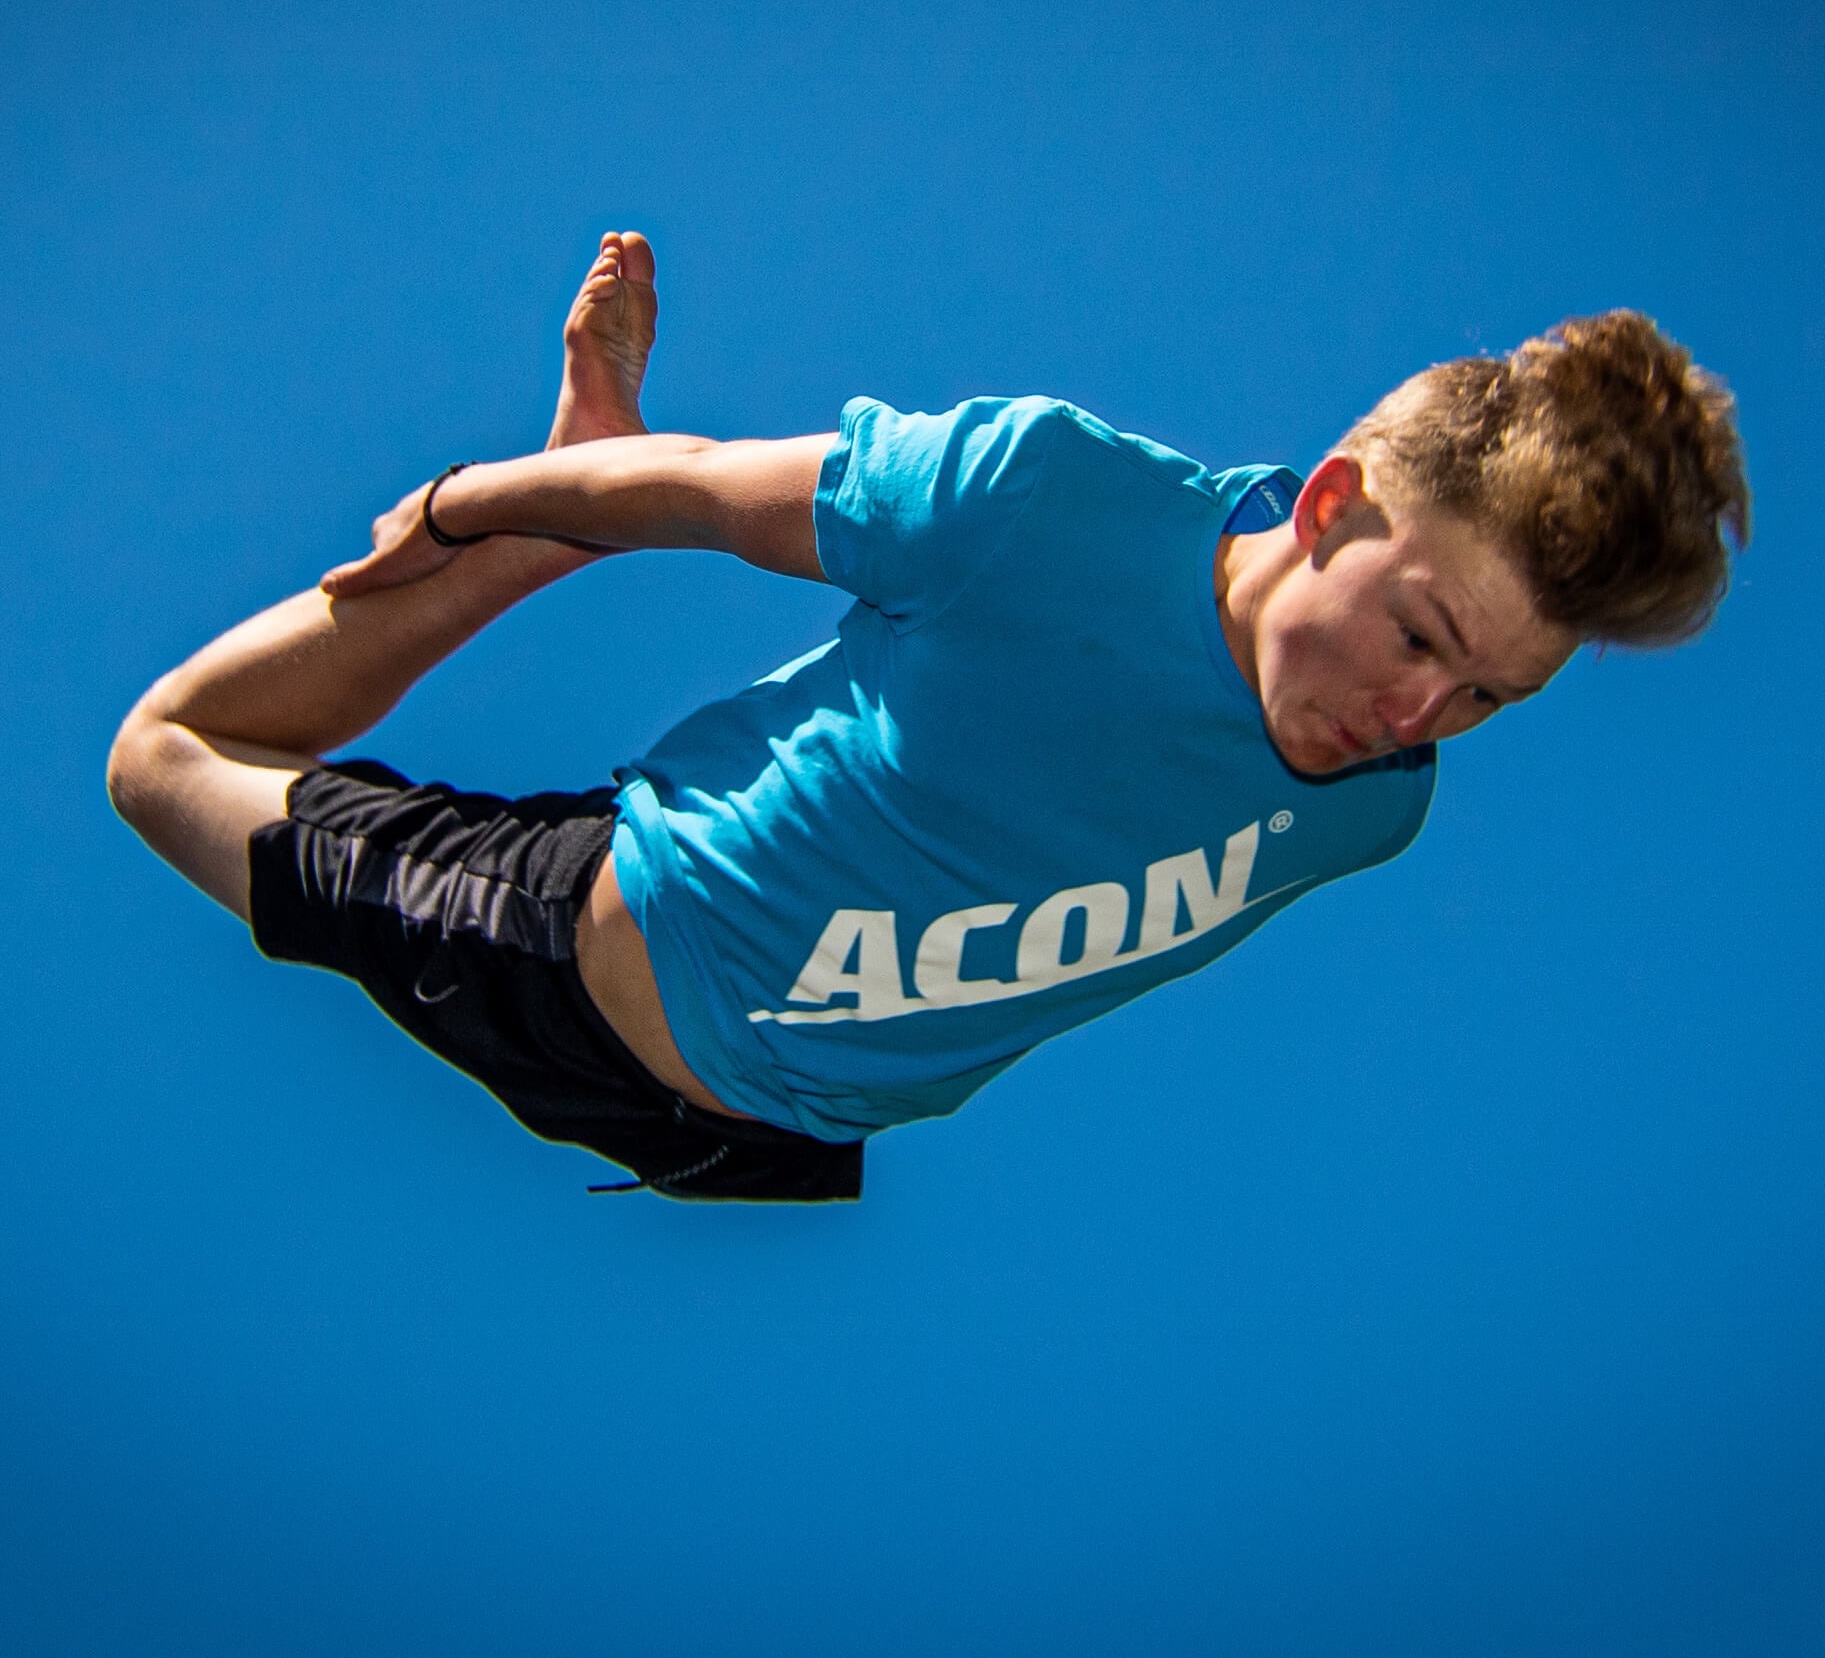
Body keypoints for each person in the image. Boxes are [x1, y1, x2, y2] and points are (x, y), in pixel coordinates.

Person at [107, 231, 1751, 1202]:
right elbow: (696, 492)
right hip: (559, 949)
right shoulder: (1050, 500)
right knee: (161, 755)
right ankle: (530, 542)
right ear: (1326, 505)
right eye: (1422, 632)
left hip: (747, 1149)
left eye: (1485, 697)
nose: (1416, 709)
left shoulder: (1374, 806)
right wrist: (478, 505)